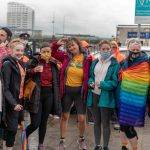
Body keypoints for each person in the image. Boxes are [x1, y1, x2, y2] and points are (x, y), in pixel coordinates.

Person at [57, 37, 92, 150]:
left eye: (73, 45)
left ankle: (81, 139)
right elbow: (53, 53)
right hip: (67, 91)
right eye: (69, 47)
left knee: (82, 118)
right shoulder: (66, 57)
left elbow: (92, 73)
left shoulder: (87, 58)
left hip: (80, 92)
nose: (71, 48)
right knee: (64, 116)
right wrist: (56, 44)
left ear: (78, 44)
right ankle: (62, 140)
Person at [25, 42, 61, 150]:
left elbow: (59, 76)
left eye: (48, 51)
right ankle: (25, 135)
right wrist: (32, 70)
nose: (46, 53)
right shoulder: (33, 61)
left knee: (44, 121)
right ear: (40, 52)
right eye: (44, 52)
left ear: (51, 52)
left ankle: (41, 144)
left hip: (49, 94)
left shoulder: (53, 63)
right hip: (36, 94)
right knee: (35, 123)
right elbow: (24, 74)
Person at [87, 40, 120, 150]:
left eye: (108, 49)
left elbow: (114, 82)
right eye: (103, 49)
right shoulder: (95, 62)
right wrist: (90, 83)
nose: (106, 51)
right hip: (94, 95)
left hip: (106, 97)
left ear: (111, 49)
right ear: (100, 50)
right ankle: (97, 145)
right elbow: (91, 76)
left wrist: (102, 84)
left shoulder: (114, 64)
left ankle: (105, 146)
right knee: (96, 122)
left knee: (105, 123)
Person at [118, 39, 150, 150]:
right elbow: (120, 78)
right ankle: (124, 146)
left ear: (140, 49)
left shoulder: (147, 62)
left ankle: (135, 148)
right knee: (122, 124)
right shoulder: (124, 62)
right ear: (128, 49)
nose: (135, 51)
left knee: (128, 127)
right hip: (124, 98)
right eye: (133, 49)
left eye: (137, 49)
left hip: (138, 99)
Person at [1, 39, 26, 150]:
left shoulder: (18, 63)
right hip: (12, 102)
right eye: (17, 50)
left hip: (19, 99)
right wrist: (14, 104)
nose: (20, 52)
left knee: (11, 128)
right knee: (12, 129)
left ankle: (5, 146)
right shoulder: (7, 64)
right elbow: (5, 88)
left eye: (21, 50)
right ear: (10, 50)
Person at [111, 41, 126, 130]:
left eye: (114, 47)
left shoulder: (122, 57)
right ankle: (113, 117)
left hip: (119, 82)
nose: (112, 49)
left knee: (118, 101)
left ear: (117, 48)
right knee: (110, 100)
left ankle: (120, 121)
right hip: (109, 82)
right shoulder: (106, 57)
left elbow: (123, 70)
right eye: (111, 47)